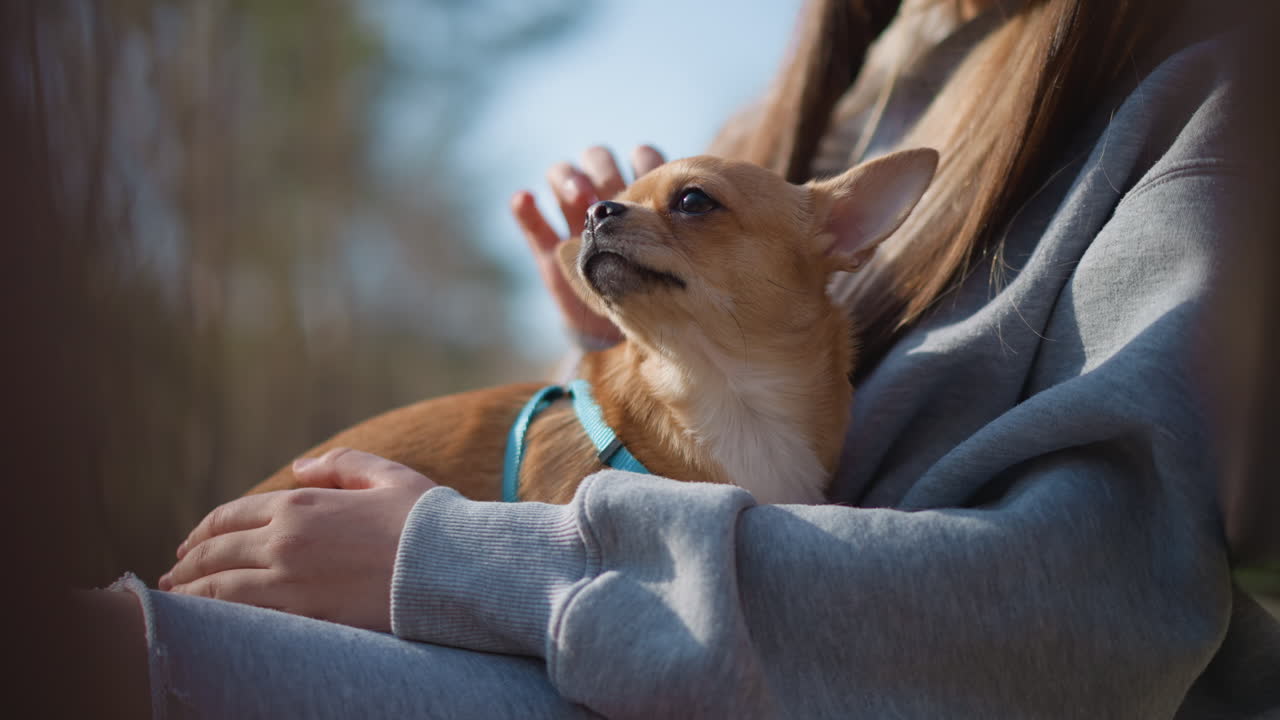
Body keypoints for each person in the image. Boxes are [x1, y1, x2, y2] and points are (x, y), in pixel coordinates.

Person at [80, 0, 1280, 717]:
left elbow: (1094, 616)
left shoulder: (1199, 103)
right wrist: (619, 362)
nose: (634, 215)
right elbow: (708, 419)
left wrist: (459, 559)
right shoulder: (823, 88)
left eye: (693, 204)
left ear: (840, 238)